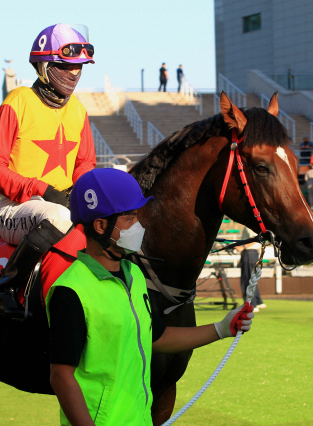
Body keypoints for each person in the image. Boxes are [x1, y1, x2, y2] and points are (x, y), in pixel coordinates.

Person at [47, 168, 255, 425]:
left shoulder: (133, 274)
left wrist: (222, 328)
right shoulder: (70, 291)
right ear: (101, 225)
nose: (139, 225)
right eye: (130, 218)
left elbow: (156, 336)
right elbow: (61, 376)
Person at [0, 23, 97, 319]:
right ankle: (5, 289)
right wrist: (43, 190)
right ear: (45, 67)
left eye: (79, 67)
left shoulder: (79, 111)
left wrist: (81, 192)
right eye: (65, 65)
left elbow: (85, 164)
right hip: (16, 210)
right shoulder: (16, 102)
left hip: (65, 206)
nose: (74, 74)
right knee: (57, 215)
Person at [235, 227, 266, 313]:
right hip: (253, 253)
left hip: (249, 253)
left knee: (247, 279)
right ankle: (258, 301)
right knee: (251, 278)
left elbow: (255, 239)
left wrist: (243, 247)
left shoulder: (249, 226)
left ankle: (252, 305)